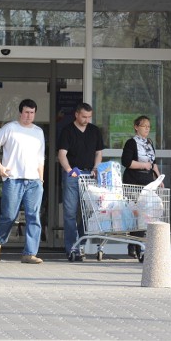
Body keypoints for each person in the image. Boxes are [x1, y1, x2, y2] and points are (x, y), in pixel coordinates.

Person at [0, 99, 45, 264]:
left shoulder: (38, 132)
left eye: (32, 113)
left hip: (34, 180)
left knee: (33, 216)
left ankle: (29, 253)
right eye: (26, 112)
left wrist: (41, 179)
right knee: (9, 215)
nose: (29, 116)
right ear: (20, 112)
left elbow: (40, 157)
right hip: (13, 180)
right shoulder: (10, 128)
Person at [57, 102, 104, 261]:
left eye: (89, 117)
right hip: (73, 174)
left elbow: (98, 153)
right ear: (76, 114)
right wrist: (70, 171)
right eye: (84, 116)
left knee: (87, 213)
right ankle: (72, 248)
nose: (86, 120)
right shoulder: (67, 131)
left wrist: (96, 168)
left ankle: (81, 243)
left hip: (90, 175)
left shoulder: (94, 131)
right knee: (70, 213)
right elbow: (62, 154)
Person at [121, 115, 161, 258]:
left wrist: (158, 178)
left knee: (145, 213)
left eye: (149, 127)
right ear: (136, 127)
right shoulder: (131, 143)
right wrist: (144, 165)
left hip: (147, 181)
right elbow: (126, 162)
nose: (147, 129)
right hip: (133, 180)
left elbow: (153, 162)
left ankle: (136, 245)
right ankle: (135, 245)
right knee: (136, 212)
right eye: (144, 126)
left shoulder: (149, 143)